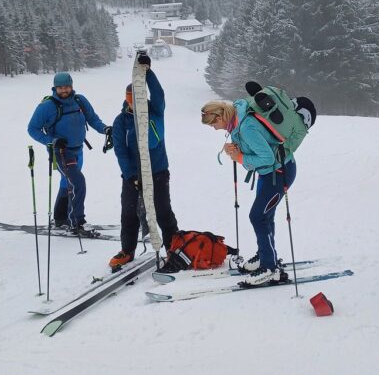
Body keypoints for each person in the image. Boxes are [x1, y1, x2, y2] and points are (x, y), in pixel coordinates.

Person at [201, 99, 297, 286]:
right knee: (264, 216)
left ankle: (270, 268)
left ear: (220, 117)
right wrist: (236, 150)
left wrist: (240, 157)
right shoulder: (236, 121)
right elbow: (257, 149)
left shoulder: (246, 127)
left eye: (213, 123)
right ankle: (265, 256)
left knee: (258, 216)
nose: (213, 128)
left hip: (279, 173)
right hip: (267, 174)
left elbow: (267, 157)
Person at [109, 54, 179, 269]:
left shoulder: (155, 111)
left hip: (158, 171)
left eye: (136, 98)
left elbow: (158, 93)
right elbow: (120, 151)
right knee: (128, 212)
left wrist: (146, 72)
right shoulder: (121, 121)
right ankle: (127, 250)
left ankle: (173, 250)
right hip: (133, 176)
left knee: (162, 212)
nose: (133, 103)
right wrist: (131, 176)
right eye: (130, 98)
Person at [27, 72, 109, 236]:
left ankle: (60, 217)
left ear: (71, 86)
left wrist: (105, 129)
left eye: (66, 87)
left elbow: (92, 118)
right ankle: (76, 222)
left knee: (68, 182)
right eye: (60, 87)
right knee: (78, 183)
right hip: (61, 152)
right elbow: (32, 129)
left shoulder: (80, 100)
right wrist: (52, 141)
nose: (63, 90)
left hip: (78, 149)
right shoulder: (47, 106)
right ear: (55, 88)